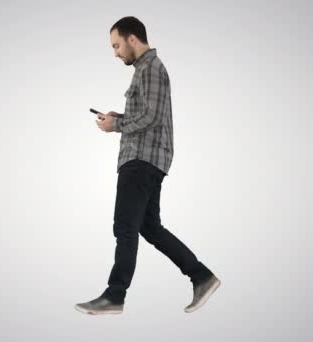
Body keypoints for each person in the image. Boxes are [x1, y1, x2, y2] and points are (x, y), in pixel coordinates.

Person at [75, 16, 220, 315]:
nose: (115, 52)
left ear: (132, 38)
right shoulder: (146, 70)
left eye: (116, 45)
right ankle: (202, 277)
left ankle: (115, 296)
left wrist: (116, 125)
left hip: (141, 160)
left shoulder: (151, 67)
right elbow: (146, 113)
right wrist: (119, 115)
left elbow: (151, 117)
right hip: (149, 159)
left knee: (125, 227)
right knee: (149, 227)